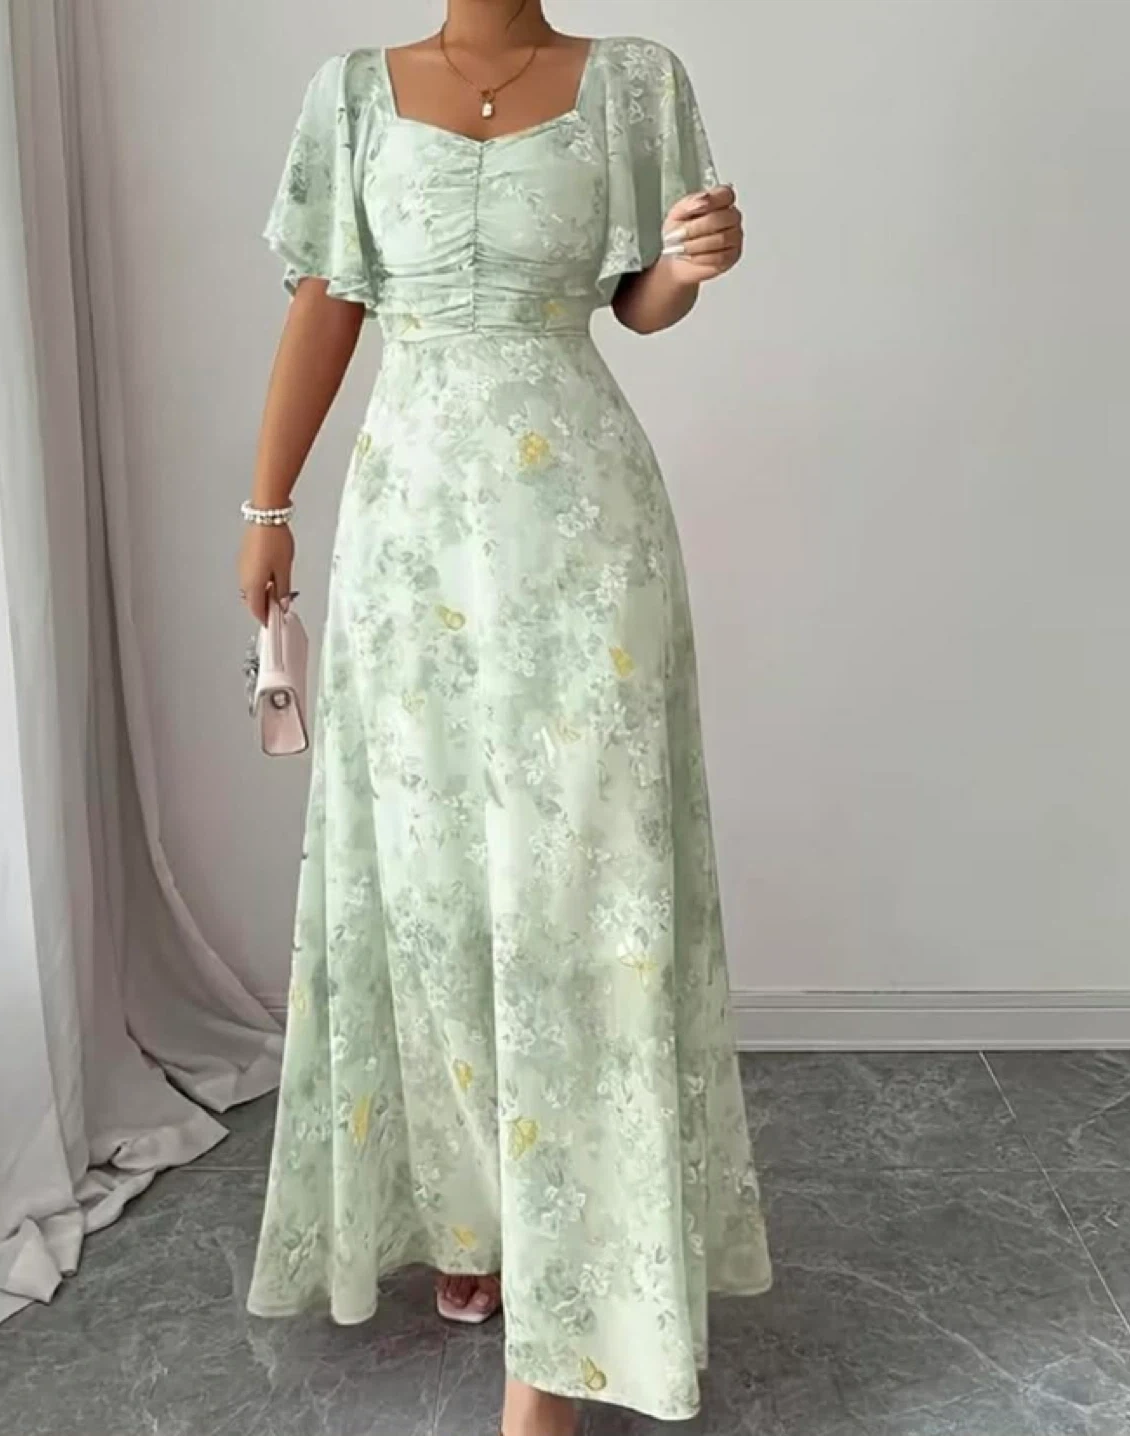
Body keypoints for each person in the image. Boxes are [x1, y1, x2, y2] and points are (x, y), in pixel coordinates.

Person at [237, 2, 771, 1431]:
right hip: (409, 534)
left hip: (579, 527)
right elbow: (327, 298)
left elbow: (638, 302)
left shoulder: (637, 80)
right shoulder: (353, 93)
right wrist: (267, 506)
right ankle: (471, 1204)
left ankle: (564, 1333)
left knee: (583, 896)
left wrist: (686, 267)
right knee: (429, 894)